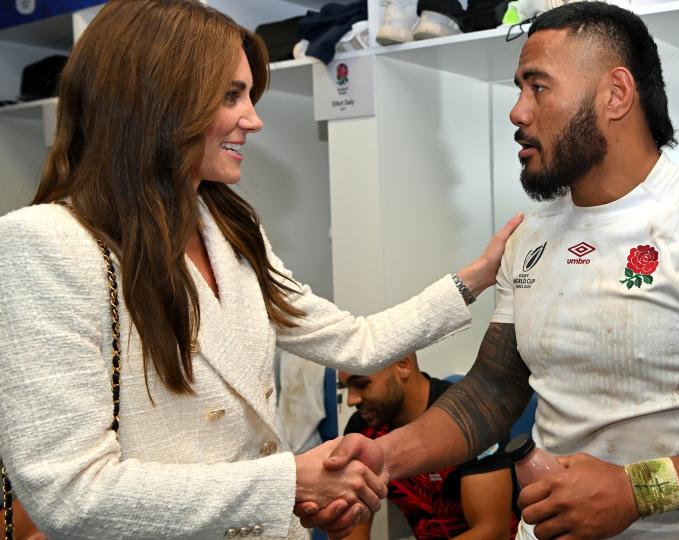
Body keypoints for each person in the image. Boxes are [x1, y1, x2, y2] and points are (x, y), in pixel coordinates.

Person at [300, 3, 679, 539]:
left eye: (538, 86)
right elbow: (493, 390)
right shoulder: (531, 238)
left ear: (615, 94)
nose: (517, 111)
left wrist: (637, 490)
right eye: (518, 88)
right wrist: (381, 457)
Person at [0, 1, 521, 539]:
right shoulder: (47, 243)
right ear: (156, 100)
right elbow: (69, 492)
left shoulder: (227, 229)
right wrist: (288, 482)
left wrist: (478, 276)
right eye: (231, 95)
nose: (254, 118)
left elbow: (355, 340)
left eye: (249, 93)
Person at [339, 353, 518, 540]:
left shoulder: (472, 415)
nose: (351, 400)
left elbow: (493, 531)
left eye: (361, 384)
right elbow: (353, 528)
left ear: (403, 365)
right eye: (345, 388)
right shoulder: (363, 430)